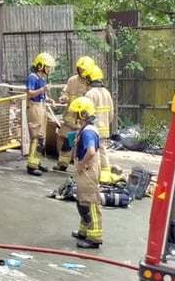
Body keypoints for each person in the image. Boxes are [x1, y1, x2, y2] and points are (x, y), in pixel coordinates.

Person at [67, 97, 103, 249]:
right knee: (82, 200)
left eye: (76, 113)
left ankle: (94, 237)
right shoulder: (85, 128)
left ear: (83, 113)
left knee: (90, 202)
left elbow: (91, 151)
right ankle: (84, 230)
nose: (74, 116)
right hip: (85, 169)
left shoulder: (88, 132)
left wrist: (81, 165)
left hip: (87, 170)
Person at [55, 56, 94, 172]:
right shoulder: (72, 80)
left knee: (84, 144)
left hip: (84, 121)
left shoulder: (91, 84)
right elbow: (65, 93)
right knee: (68, 142)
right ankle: (63, 163)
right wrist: (63, 98)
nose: (81, 71)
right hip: (71, 121)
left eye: (84, 69)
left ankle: (84, 165)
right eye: (80, 69)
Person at [82, 64, 117, 183]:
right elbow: (111, 112)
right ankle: (101, 174)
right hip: (105, 127)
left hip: (93, 129)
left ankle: (104, 175)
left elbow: (86, 114)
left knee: (98, 151)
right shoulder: (106, 92)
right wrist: (107, 123)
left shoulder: (90, 94)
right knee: (101, 150)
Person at [25, 52, 55, 176]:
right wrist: (43, 90)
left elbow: (41, 94)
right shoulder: (32, 77)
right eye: (47, 66)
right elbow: (30, 93)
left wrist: (48, 98)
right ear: (40, 65)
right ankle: (31, 165)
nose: (49, 69)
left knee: (42, 136)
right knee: (37, 136)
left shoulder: (41, 78)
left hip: (41, 107)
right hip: (34, 108)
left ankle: (37, 161)